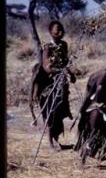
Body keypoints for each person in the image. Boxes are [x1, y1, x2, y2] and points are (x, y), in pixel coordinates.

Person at [32, 21, 76, 150]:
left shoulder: (64, 45)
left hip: (61, 83)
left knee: (59, 112)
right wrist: (59, 71)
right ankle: (50, 142)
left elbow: (66, 62)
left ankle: (56, 140)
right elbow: (46, 67)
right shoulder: (47, 47)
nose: (60, 33)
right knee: (50, 111)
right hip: (48, 84)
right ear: (51, 32)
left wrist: (72, 73)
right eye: (57, 30)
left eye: (61, 30)